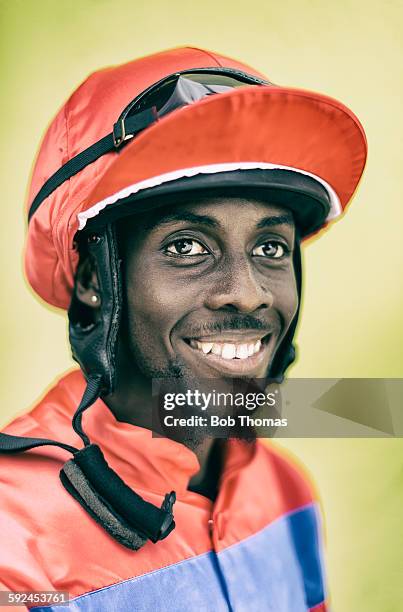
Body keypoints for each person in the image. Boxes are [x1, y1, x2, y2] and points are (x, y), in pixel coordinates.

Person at [0, 46, 366, 611]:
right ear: (95, 278)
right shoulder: (13, 540)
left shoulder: (284, 490)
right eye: (187, 247)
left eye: (271, 247)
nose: (248, 292)